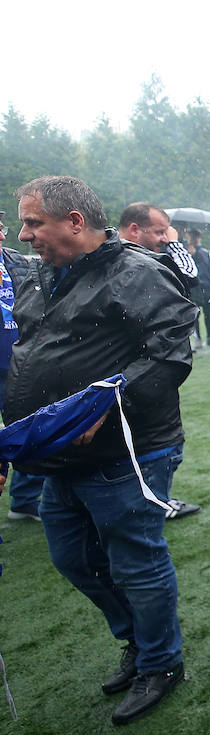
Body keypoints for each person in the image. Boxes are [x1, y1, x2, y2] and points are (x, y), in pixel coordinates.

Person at [6, 175, 199, 725]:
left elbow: (170, 355)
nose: (23, 235)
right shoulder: (43, 274)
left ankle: (161, 662)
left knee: (135, 561)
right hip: (56, 452)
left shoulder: (135, 271)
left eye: (32, 222)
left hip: (127, 452)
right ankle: (138, 641)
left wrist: (107, 406)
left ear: (73, 222)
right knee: (72, 557)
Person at [117, 203, 201, 520]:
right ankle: (153, 505)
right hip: (139, 377)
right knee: (150, 447)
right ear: (134, 230)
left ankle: (154, 500)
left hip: (142, 375)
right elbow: (190, 273)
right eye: (159, 232)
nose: (166, 239)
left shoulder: (136, 262)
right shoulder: (134, 266)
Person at [0, 210, 42, 522]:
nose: (3, 236)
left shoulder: (13, 260)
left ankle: (25, 501)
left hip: (16, 363)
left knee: (29, 430)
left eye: (1, 228)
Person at [185, 228, 210, 347]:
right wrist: (192, 254)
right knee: (196, 315)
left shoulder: (205, 252)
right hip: (195, 289)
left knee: (209, 314)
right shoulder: (185, 252)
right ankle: (198, 339)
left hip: (208, 288)